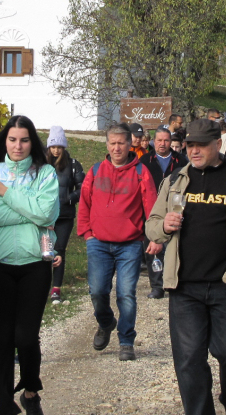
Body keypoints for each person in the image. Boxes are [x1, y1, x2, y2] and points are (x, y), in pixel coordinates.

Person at [146, 119, 226, 415]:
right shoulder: (175, 180)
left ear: (218, 145)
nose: (195, 150)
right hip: (185, 287)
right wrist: (163, 225)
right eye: (190, 145)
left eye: (201, 145)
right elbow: (151, 226)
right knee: (188, 360)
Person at [0, 115, 60, 415]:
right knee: (3, 337)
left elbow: (48, 212)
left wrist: (5, 193)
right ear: (4, 141)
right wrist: (30, 211)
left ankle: (31, 389)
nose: (18, 146)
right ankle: (3, 405)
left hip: (35, 264)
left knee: (25, 335)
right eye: (12, 139)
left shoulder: (45, 173)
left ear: (31, 142)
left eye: (24, 140)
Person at [78, 122, 161, 361]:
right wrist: (87, 233)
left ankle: (126, 341)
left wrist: (154, 238)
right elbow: (84, 204)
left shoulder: (140, 172)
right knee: (97, 291)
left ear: (129, 144)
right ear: (107, 144)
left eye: (121, 143)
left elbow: (152, 207)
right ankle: (106, 322)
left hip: (130, 244)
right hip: (98, 243)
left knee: (126, 293)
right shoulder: (95, 171)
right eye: (112, 143)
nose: (117, 148)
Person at [140, 126, 189, 299]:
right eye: (159, 140)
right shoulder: (145, 160)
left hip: (176, 206)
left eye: (166, 140)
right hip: (151, 207)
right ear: (154, 141)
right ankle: (157, 285)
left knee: (175, 246)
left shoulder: (181, 160)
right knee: (153, 246)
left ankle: (175, 281)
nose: (162, 144)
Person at [46, 126, 85, 302]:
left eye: (59, 147)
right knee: (44, 251)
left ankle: (56, 289)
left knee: (59, 250)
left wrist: (70, 198)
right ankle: (42, 285)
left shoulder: (73, 165)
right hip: (44, 216)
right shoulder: (42, 164)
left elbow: (83, 186)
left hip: (64, 215)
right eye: (53, 146)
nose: (56, 150)